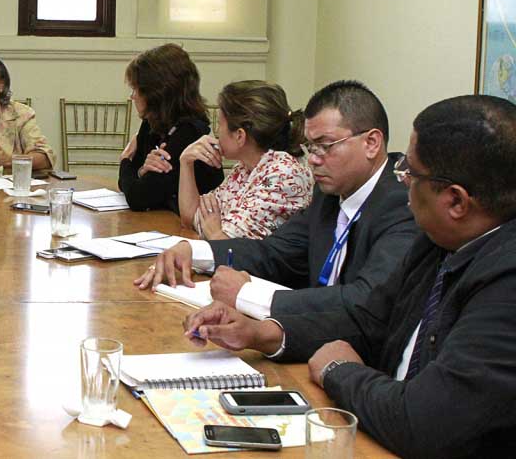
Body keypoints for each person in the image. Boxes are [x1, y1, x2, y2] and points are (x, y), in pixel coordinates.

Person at [182, 95, 516, 457]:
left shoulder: (506, 286)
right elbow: (368, 318)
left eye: (410, 172)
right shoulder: (437, 242)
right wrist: (263, 333)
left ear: (456, 202)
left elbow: (423, 421)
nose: (402, 180)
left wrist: (339, 370)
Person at [135, 80, 418, 318]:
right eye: (311, 147)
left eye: (325, 146)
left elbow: (364, 301)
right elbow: (273, 253)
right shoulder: (330, 196)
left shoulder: (401, 204)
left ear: (371, 143)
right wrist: (193, 251)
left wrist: (248, 295)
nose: (313, 160)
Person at [177, 80, 313, 240]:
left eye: (220, 124)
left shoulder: (283, 174)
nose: (216, 132)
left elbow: (230, 247)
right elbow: (192, 218)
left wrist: (214, 233)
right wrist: (186, 162)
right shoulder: (244, 169)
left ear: (239, 136)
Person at [118, 44, 223, 211]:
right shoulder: (151, 122)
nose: (132, 96)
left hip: (193, 222)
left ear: (156, 93)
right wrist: (140, 172)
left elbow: (138, 197)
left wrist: (125, 159)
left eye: (136, 89)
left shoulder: (190, 132)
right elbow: (127, 183)